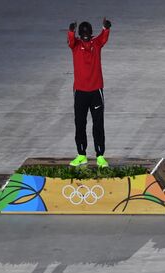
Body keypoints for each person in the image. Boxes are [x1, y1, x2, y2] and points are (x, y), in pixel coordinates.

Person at [67, 18, 111, 168]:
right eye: (83, 34)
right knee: (80, 123)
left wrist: (106, 28)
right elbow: (71, 41)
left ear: (91, 34)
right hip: (80, 92)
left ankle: (100, 156)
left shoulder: (96, 44)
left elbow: (103, 37)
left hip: (95, 91)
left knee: (98, 124)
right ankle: (81, 155)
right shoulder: (75, 45)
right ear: (80, 35)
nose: (85, 36)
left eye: (87, 34)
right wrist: (71, 31)